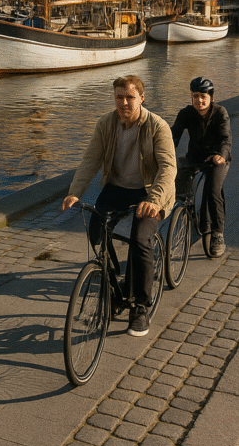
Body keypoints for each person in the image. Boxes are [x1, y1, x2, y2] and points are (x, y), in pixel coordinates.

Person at [62, 75, 176, 337]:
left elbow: (168, 169)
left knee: (140, 240)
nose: (124, 103)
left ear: (142, 98)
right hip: (117, 188)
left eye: (130, 97)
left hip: (148, 192)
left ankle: (140, 306)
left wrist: (154, 200)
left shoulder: (158, 126)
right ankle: (114, 286)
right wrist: (74, 193)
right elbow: (90, 159)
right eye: (119, 97)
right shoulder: (107, 123)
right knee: (96, 233)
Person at [170, 77, 231, 258]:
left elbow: (226, 139)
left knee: (213, 190)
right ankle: (186, 215)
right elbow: (173, 136)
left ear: (211, 97)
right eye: (195, 96)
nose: (199, 101)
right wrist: (166, 155)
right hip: (195, 157)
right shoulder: (186, 113)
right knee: (180, 186)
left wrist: (222, 155)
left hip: (216, 158)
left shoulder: (220, 113)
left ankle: (217, 234)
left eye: (203, 96)